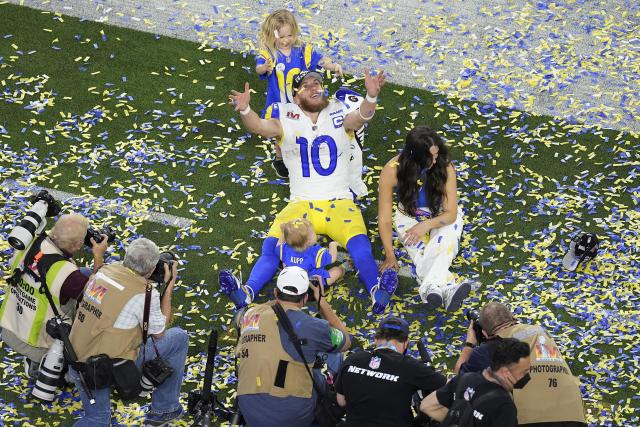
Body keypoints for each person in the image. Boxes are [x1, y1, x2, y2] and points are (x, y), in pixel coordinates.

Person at [222, 69, 399, 314]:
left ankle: (376, 291)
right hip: (301, 204)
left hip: (339, 201)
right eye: (307, 85)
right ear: (296, 97)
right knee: (272, 246)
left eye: (318, 82)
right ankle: (247, 291)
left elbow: (360, 118)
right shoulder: (286, 117)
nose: (315, 87)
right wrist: (244, 109)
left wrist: (371, 97)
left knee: (360, 247)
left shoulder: (337, 111)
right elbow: (260, 127)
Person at [67, 238, 188, 427]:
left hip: (75, 360)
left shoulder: (105, 270)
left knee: (96, 418)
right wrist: (169, 286)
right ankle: (165, 409)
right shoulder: (145, 295)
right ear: (151, 269)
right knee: (179, 337)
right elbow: (159, 333)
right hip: (104, 369)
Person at [235, 266, 350, 427]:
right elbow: (346, 342)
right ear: (305, 298)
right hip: (294, 415)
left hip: (250, 412)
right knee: (333, 356)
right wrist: (321, 300)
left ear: (275, 293)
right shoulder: (312, 326)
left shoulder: (250, 315)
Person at [0, 213, 108, 378]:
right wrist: (98, 257)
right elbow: (96, 298)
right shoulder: (68, 275)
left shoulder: (27, 241)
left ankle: (34, 361)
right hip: (38, 343)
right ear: (78, 245)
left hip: (10, 327)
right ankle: (44, 364)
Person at [377, 125, 470, 311]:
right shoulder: (391, 170)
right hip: (409, 215)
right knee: (420, 252)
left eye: (437, 154)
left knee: (445, 241)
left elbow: (451, 213)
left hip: (440, 215)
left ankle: (429, 288)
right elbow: (385, 218)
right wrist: (389, 254)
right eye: (431, 156)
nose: (435, 160)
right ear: (417, 157)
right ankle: (447, 286)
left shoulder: (445, 166)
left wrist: (426, 225)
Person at [453, 302, 587, 427]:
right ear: (513, 317)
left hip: (532, 422)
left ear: (484, 333)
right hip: (577, 419)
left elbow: (459, 374)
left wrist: (470, 343)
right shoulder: (541, 332)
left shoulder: (490, 348)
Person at [256, 9, 343, 179]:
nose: (286, 40)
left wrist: (334, 66)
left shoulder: (302, 50)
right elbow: (258, 68)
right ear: (271, 35)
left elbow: (320, 60)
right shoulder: (269, 54)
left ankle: (305, 151)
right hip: (279, 103)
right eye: (281, 37)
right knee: (281, 132)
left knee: (305, 126)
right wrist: (264, 68)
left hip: (302, 101)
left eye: (290, 35)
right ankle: (279, 159)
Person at [335, 316, 446, 426]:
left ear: (375, 338)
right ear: (406, 342)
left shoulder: (353, 359)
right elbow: (442, 383)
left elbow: (341, 401)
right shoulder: (409, 366)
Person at [421, 338, 531, 426]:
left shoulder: (464, 378)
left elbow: (427, 406)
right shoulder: (503, 405)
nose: (527, 376)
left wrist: (459, 421)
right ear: (505, 372)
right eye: (524, 371)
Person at [278, 217, 345, 286]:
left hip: (291, 279)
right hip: (312, 281)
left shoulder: (284, 249)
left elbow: (279, 245)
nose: (315, 233)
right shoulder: (315, 253)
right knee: (338, 271)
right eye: (313, 232)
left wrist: (283, 233)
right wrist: (333, 245)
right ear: (308, 242)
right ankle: (344, 269)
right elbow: (332, 258)